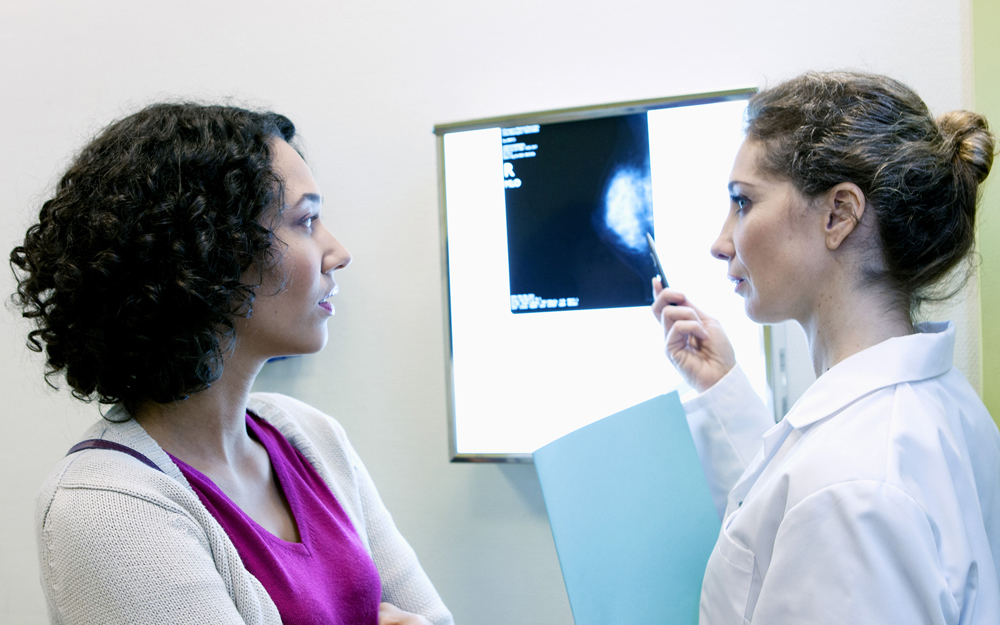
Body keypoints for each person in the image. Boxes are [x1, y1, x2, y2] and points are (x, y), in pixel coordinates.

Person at [12, 103, 453, 625]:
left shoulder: (310, 436)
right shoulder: (104, 508)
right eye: (306, 220)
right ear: (209, 253)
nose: (337, 251)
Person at [652, 72, 1000, 624]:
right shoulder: (944, 406)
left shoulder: (854, 489)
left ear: (838, 214)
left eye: (743, 203)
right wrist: (722, 388)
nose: (720, 244)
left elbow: (829, 496)